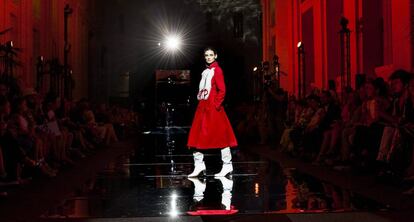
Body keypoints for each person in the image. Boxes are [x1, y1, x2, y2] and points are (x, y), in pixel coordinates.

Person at [187, 47, 238, 177]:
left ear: (215, 56)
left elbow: (222, 90)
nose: (208, 57)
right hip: (203, 107)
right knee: (196, 137)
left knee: (221, 137)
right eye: (206, 55)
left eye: (211, 55)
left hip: (213, 109)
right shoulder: (205, 72)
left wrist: (216, 105)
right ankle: (199, 165)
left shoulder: (217, 70)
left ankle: (227, 165)